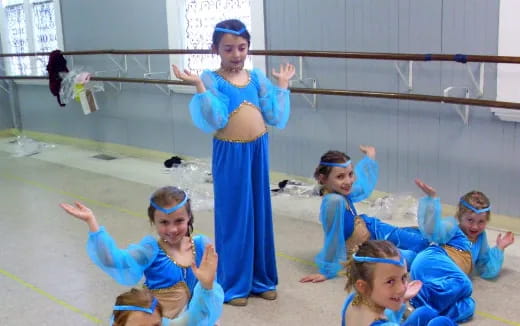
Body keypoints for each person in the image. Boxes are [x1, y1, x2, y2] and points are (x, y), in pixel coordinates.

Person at [172, 18, 295, 306]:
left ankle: (262, 278)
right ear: (216, 49)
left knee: (259, 212)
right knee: (234, 215)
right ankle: (236, 283)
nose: (237, 54)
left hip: (258, 150)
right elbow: (217, 118)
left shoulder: (258, 78)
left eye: (242, 48)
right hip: (230, 153)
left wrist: (282, 85)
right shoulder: (213, 79)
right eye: (229, 49)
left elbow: (275, 116)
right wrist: (200, 87)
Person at [60, 186, 224, 325]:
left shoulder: (201, 245)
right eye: (164, 222)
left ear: (189, 217)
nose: (172, 229)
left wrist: (208, 299)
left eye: (179, 221)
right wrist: (92, 224)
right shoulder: (151, 250)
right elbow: (112, 260)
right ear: (153, 221)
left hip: (193, 318)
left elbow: (208, 290)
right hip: (156, 320)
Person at [300, 148, 430, 283]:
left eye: (350, 174)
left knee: (422, 241)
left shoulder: (340, 191)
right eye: (340, 177)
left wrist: (370, 157)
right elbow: (333, 238)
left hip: (373, 228)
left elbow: (362, 185)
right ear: (323, 179)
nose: (348, 181)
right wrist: (326, 272)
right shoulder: (334, 202)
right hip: (364, 249)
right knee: (416, 258)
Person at [410, 179, 515, 322]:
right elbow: (432, 230)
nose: (475, 227)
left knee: (469, 306)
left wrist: (500, 248)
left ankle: (426, 315)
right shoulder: (452, 227)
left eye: (481, 222)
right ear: (460, 217)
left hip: (444, 282)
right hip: (432, 261)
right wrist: (432, 200)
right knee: (464, 284)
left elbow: (486, 269)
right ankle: (414, 300)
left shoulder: (480, 238)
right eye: (470, 220)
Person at [341, 240, 456, 326]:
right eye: (390, 281)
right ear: (363, 286)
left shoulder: (354, 299)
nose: (402, 288)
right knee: (442, 323)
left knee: (425, 313)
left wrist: (401, 298)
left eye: (404, 277)